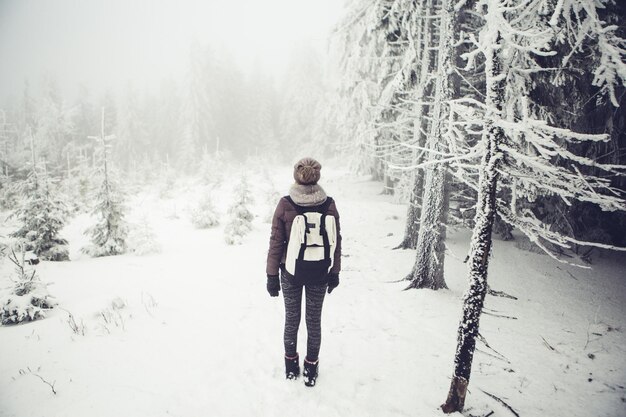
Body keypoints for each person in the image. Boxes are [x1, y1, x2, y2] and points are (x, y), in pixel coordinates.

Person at [266, 157, 342, 387]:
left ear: (296, 175)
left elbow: (276, 242)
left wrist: (271, 275)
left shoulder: (285, 203)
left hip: (290, 273)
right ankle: (311, 370)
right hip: (320, 272)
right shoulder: (328, 204)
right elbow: (337, 241)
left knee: (292, 320)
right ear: (317, 176)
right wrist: (335, 271)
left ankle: (291, 368)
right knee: (313, 322)